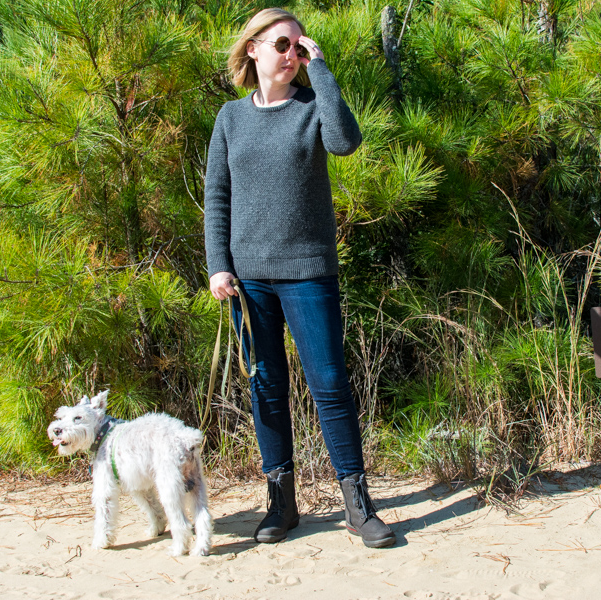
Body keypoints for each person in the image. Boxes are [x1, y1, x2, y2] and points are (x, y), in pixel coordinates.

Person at [203, 8, 395, 549]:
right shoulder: (230, 119)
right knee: (267, 388)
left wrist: (324, 69)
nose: (291, 53)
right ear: (253, 51)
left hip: (308, 273)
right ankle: (281, 505)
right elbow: (217, 197)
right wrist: (219, 264)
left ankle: (358, 506)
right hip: (249, 282)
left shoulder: (314, 107)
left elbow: (344, 142)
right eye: (282, 44)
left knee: (330, 386)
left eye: (298, 45)